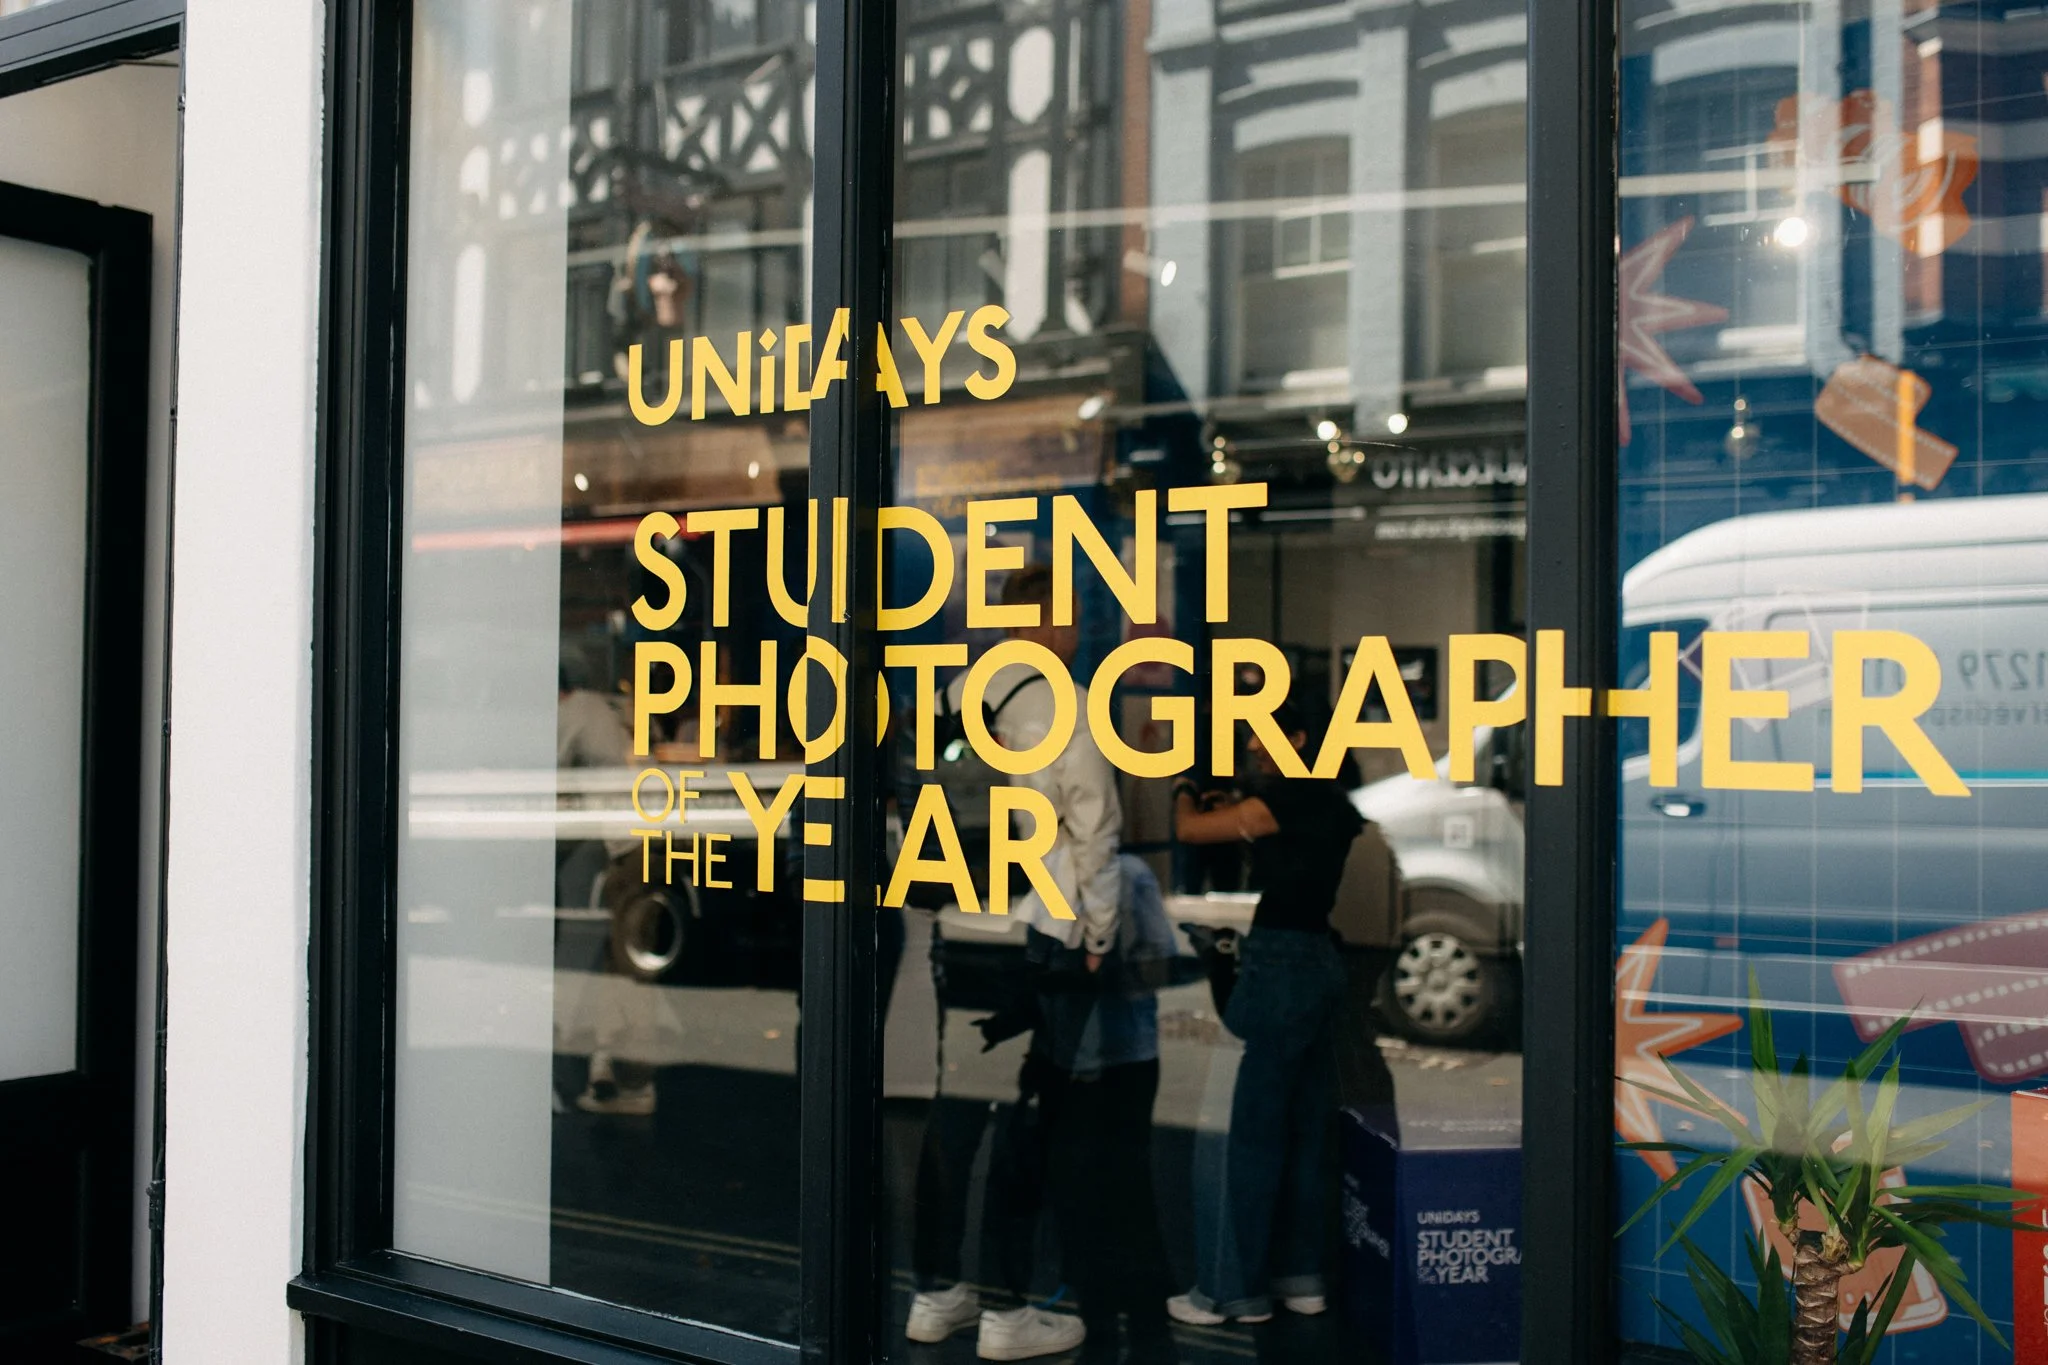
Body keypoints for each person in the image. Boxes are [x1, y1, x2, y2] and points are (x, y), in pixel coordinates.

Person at [1166, 698, 1363, 1326]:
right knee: (1305, 1130)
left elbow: (1192, 831)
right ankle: (1300, 1278)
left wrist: (1184, 786)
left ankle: (1230, 1292)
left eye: (1260, 736)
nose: (1252, 747)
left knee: (1243, 1134)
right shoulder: (1331, 798)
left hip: (1279, 964)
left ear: (1299, 736)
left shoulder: (1293, 796)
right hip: (1320, 963)